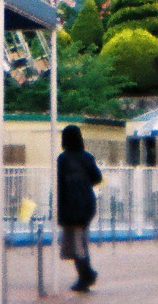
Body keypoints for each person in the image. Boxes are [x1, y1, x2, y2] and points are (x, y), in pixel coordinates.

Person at [56, 125, 102, 293]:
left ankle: (86, 275)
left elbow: (59, 185)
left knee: (75, 245)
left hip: (69, 207)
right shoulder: (87, 157)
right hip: (86, 205)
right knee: (80, 242)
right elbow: (97, 177)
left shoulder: (63, 159)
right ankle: (85, 275)